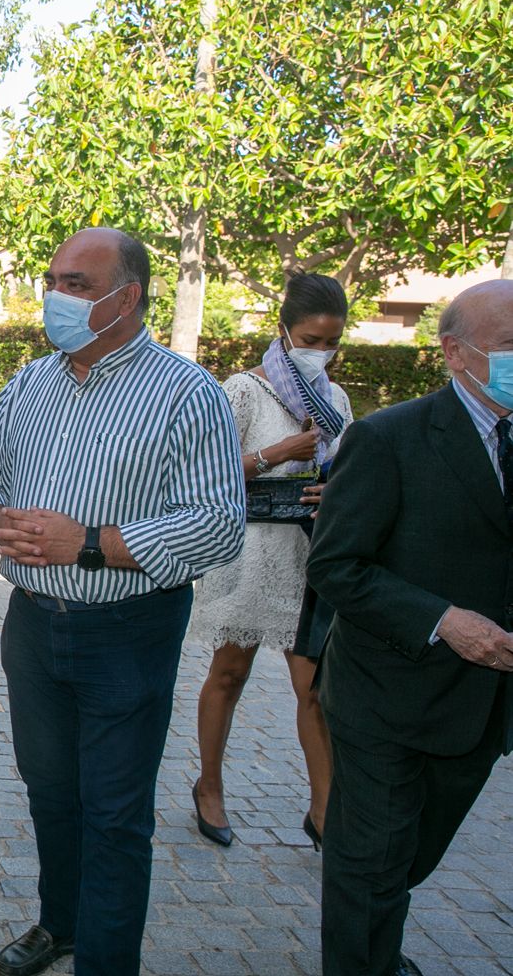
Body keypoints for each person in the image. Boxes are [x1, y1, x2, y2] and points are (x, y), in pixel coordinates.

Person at [0, 227, 246, 976]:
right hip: (32, 626)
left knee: (115, 817)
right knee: (52, 795)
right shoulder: (29, 383)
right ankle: (62, 926)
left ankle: (106, 962)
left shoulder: (188, 393)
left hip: (129, 630)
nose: (57, 295)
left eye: (78, 284)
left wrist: (86, 542)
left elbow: (216, 525)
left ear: (130, 297)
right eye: (53, 279)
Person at [307, 279, 513, 976]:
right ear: (456, 353)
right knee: (369, 869)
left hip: (483, 710)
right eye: (512, 346)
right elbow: (335, 567)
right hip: (385, 699)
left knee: (405, 861)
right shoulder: (388, 438)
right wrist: (441, 619)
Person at [188, 273, 353, 851]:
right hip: (247, 554)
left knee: (314, 689)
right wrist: (278, 452)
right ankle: (209, 786)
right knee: (229, 673)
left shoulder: (335, 400)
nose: (320, 352)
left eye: (331, 342)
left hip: (309, 557)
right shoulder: (241, 390)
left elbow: (348, 471)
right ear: (283, 331)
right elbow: (205, 474)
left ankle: (325, 808)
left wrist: (337, 489)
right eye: (310, 339)